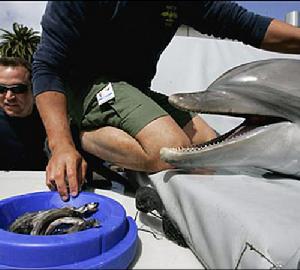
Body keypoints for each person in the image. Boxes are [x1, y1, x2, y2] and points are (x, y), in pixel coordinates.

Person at [32, 1, 300, 201]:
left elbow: (247, 25)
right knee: (171, 150)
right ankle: (80, 136)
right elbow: (46, 67)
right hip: (85, 88)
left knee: (209, 153)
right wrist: (62, 144)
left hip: (133, 90)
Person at [0, 57, 47, 170]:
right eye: (1, 89)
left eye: (18, 89)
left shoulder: (52, 121)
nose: (9, 97)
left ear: (34, 88)